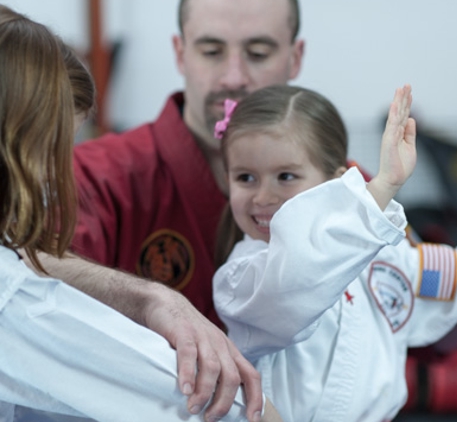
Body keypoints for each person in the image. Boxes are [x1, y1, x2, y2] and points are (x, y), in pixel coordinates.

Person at [0, 5, 284, 422]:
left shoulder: (343, 192)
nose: (234, 76)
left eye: (259, 53)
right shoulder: (102, 177)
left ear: (295, 57)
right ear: (179, 52)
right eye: (211, 50)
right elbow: (235, 411)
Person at [212, 83, 457, 421]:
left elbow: (453, 277)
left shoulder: (382, 257)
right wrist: (380, 190)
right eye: (246, 177)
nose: (263, 196)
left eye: (285, 176)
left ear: (336, 183)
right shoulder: (242, 279)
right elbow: (298, 280)